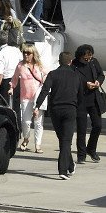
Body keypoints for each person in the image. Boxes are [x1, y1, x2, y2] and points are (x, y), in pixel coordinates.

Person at [34, 51, 81, 180]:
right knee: (66, 141)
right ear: (70, 62)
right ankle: (63, 170)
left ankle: (70, 165)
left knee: (63, 140)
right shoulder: (76, 76)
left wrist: (37, 106)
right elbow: (80, 95)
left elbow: (44, 90)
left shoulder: (53, 74)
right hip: (70, 110)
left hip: (55, 111)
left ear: (59, 62)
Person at [10, 43, 47, 153]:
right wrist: (11, 87)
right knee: (25, 121)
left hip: (37, 98)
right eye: (24, 52)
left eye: (28, 53)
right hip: (25, 97)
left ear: (33, 54)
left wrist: (45, 80)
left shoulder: (39, 66)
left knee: (38, 122)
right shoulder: (20, 66)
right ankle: (26, 138)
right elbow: (15, 78)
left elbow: (48, 75)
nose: (26, 55)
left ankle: (38, 144)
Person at [72, 44, 106, 164]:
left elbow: (101, 75)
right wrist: (85, 84)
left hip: (94, 99)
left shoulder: (94, 62)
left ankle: (91, 149)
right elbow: (73, 81)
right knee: (81, 129)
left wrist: (98, 82)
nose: (88, 60)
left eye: (90, 57)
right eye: (85, 58)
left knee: (98, 125)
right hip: (81, 100)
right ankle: (81, 155)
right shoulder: (74, 65)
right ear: (80, 56)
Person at [0, 30, 23, 99]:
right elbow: (22, 64)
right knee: (16, 105)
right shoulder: (16, 50)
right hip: (18, 80)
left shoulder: (0, 54)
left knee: (6, 104)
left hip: (7, 82)